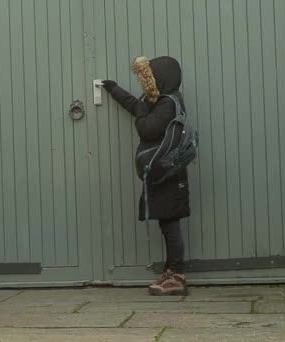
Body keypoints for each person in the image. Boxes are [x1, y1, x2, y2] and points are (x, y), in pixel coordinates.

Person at [101, 56, 190, 296]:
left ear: (162, 77)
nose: (147, 81)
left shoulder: (168, 103)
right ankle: (172, 272)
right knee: (166, 222)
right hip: (163, 171)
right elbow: (137, 107)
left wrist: (141, 110)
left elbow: (146, 127)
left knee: (170, 223)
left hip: (168, 172)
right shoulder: (162, 100)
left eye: (150, 76)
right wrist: (114, 89)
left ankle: (177, 277)